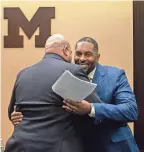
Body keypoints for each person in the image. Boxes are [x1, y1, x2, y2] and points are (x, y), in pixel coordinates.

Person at [10, 37, 139, 152]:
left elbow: (131, 110)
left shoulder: (115, 75)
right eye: (78, 54)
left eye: (88, 54)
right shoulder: (65, 74)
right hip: (80, 145)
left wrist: (91, 109)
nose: (82, 59)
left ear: (97, 57)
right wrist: (19, 115)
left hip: (111, 146)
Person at [5, 34, 98, 152]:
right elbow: (95, 107)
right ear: (65, 50)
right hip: (56, 147)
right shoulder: (72, 70)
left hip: (19, 146)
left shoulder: (23, 73)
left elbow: (12, 113)